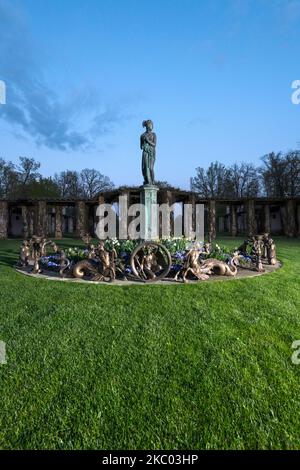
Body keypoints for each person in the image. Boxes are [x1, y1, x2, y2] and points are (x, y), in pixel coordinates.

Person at [140, 119, 156, 185]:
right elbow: (141, 146)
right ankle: (147, 181)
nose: (151, 126)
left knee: (151, 168)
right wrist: (143, 144)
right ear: (147, 126)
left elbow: (154, 144)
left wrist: (147, 140)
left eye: (152, 124)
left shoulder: (153, 134)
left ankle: (152, 182)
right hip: (145, 152)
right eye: (150, 124)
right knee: (145, 168)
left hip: (151, 152)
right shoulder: (142, 135)